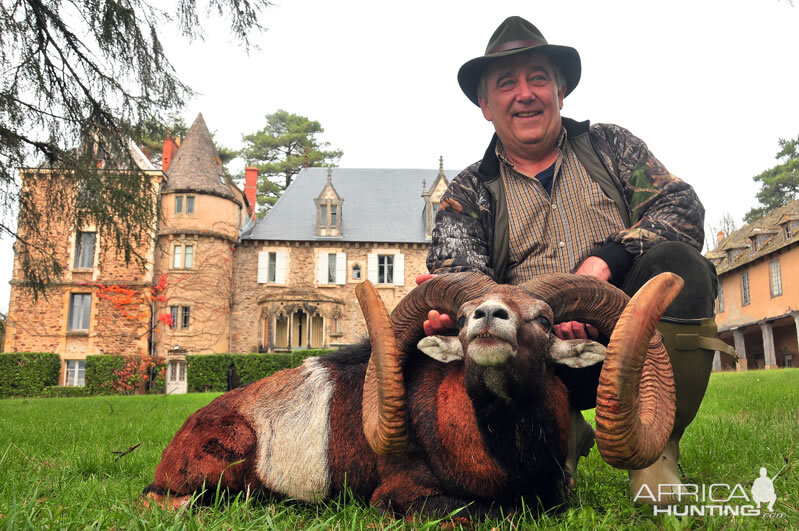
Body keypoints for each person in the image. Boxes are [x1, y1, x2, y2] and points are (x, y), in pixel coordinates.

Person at [422, 15, 735, 502]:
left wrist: (607, 261)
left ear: (561, 90)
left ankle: (656, 454)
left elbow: (683, 206)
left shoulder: (610, 147)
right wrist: (538, 316)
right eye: (506, 83)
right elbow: (459, 274)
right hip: (533, 354)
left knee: (681, 264)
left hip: (628, 342)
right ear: (485, 105)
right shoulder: (467, 192)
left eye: (538, 78)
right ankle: (555, 432)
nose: (525, 93)